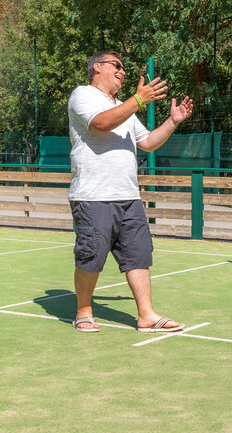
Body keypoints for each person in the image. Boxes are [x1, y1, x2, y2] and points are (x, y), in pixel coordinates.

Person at [68, 52, 194, 333]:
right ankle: (84, 311)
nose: (123, 72)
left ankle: (146, 315)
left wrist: (173, 121)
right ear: (97, 67)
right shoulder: (83, 95)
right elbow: (101, 123)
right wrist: (138, 100)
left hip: (129, 197)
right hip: (93, 196)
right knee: (92, 255)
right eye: (117, 65)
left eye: (123, 68)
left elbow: (148, 142)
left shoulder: (122, 107)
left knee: (138, 256)